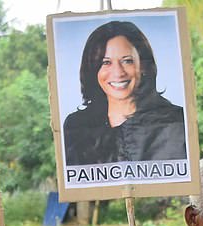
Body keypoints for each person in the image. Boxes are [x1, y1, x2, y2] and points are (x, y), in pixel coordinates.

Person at [63, 20, 186, 166]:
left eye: (127, 61)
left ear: (144, 66)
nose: (118, 72)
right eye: (105, 62)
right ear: (93, 69)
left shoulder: (175, 122)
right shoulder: (76, 126)